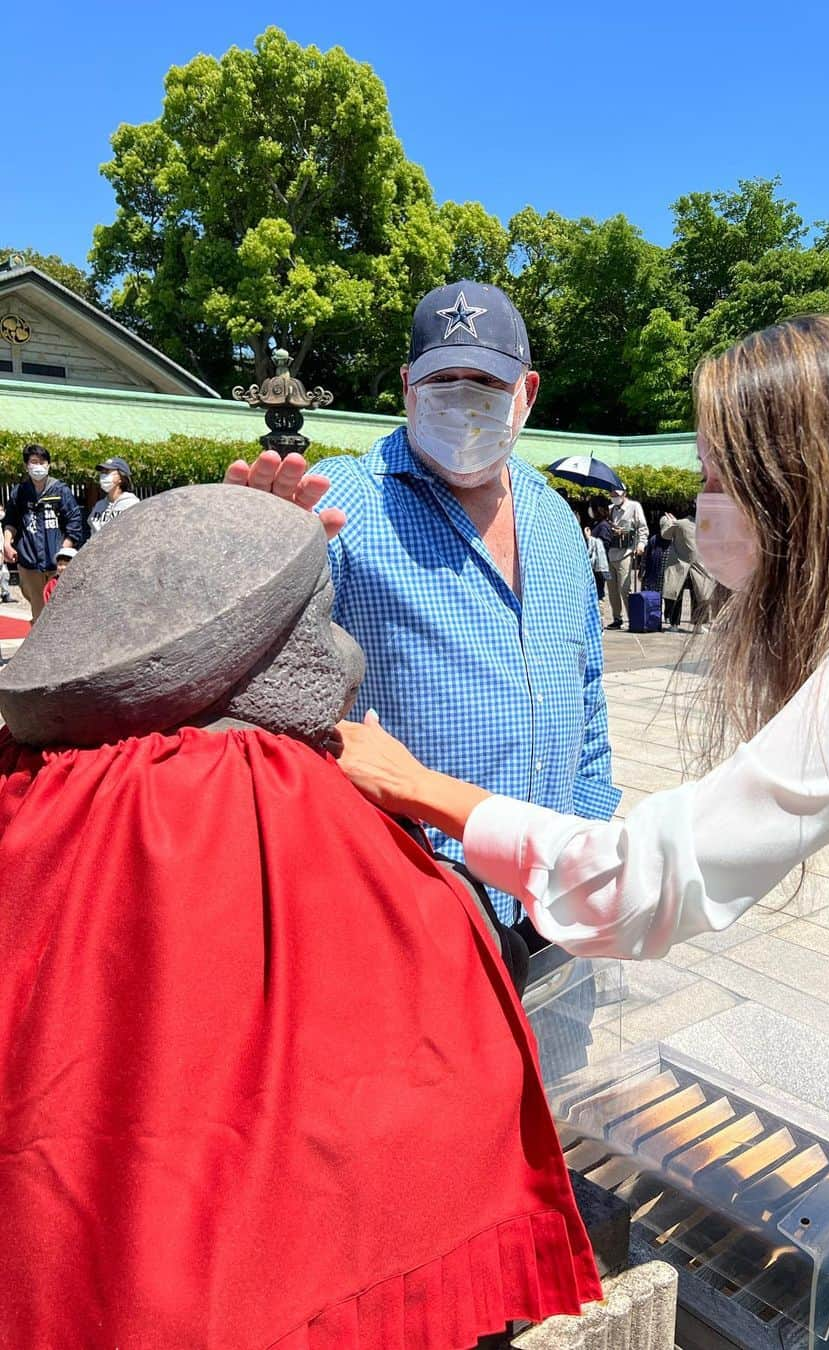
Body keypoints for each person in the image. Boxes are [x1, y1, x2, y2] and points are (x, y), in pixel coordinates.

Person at [333, 314, 829, 1349]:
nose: (701, 499)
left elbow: (649, 881)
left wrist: (426, 789)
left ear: (803, 487)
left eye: (719, 474)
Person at [0, 484, 599, 1347]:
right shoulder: (261, 797)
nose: (350, 656)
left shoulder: (45, 795)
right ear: (242, 659)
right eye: (319, 624)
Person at [233, 281, 618, 932]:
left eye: (487, 385)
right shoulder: (342, 504)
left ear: (527, 392)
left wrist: (587, 824)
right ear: (409, 386)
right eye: (445, 383)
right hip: (407, 896)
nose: (464, 403)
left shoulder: (554, 517)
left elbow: (587, 690)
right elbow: (252, 679)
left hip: (551, 885)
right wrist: (247, 565)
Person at [2, 444, 83, 620]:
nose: (38, 466)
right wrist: (7, 543)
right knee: (38, 615)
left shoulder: (61, 490)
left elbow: (74, 523)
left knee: (61, 612)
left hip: (57, 565)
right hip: (29, 563)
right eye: (33, 462)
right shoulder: (20, 492)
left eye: (42, 462)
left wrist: (63, 554)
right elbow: (10, 521)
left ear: (48, 465)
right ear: (26, 466)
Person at [659, 510, 716, 631]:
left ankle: (673, 624)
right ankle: (698, 625)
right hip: (700, 565)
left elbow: (665, 534)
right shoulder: (706, 523)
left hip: (680, 565)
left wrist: (667, 521)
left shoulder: (680, 524)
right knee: (700, 596)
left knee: (675, 596)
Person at [604, 485, 647, 629]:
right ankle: (617, 618)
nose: (614, 496)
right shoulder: (610, 509)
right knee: (612, 590)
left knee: (624, 588)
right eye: (612, 494)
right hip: (610, 553)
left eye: (616, 494)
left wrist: (641, 544)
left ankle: (632, 618)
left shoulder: (634, 507)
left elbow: (642, 528)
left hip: (625, 552)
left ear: (624, 494)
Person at [88, 455, 139, 534]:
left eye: (107, 472)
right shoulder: (99, 506)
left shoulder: (131, 504)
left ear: (121, 478)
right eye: (102, 472)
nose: (103, 476)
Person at [584, 522, 609, 601]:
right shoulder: (597, 524)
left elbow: (604, 543)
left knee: (598, 593)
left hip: (599, 565)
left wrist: (589, 538)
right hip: (596, 565)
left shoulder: (603, 525)